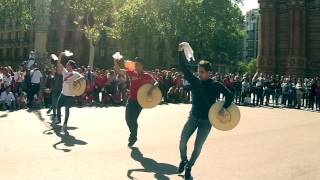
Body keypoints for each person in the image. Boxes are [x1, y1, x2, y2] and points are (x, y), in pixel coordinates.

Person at [177, 43, 234, 180]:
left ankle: (189, 167)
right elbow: (184, 68)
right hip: (194, 117)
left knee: (197, 149)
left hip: (207, 121)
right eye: (198, 71)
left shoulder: (216, 85)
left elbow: (230, 95)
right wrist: (180, 52)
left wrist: (222, 108)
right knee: (182, 142)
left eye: (202, 72)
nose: (199, 74)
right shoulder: (195, 81)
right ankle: (184, 160)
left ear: (209, 73)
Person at [113, 55, 158, 147]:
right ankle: (133, 134)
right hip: (131, 99)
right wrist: (115, 61)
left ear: (142, 66)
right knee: (127, 118)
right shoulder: (132, 73)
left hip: (140, 101)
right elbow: (118, 71)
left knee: (133, 119)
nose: (135, 65)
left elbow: (156, 83)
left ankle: (133, 137)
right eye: (135, 64)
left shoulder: (146, 75)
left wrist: (150, 90)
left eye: (137, 64)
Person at [55, 52, 84, 131]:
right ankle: (58, 119)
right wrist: (60, 55)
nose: (66, 65)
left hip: (70, 96)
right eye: (66, 64)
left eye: (68, 64)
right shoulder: (64, 72)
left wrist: (76, 80)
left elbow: (82, 77)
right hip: (63, 93)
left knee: (67, 109)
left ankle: (65, 124)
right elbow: (59, 64)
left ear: (71, 66)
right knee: (58, 106)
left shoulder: (75, 73)